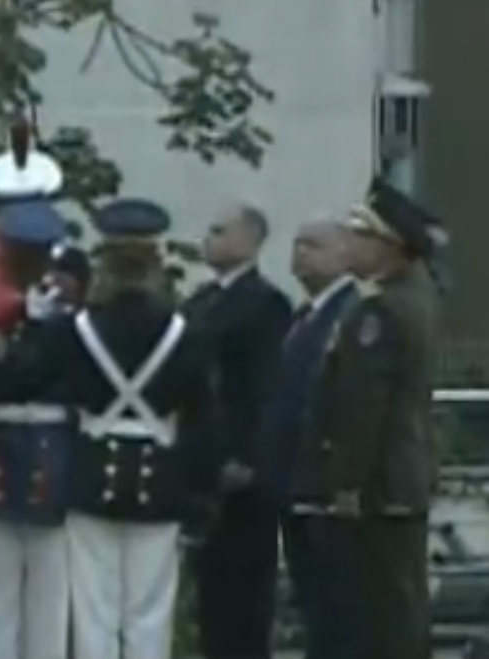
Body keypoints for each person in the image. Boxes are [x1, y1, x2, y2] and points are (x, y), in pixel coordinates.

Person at [31, 198, 219, 659]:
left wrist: (33, 324)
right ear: (157, 263)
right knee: (150, 612)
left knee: (94, 611)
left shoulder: (72, 331)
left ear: (104, 263)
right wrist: (201, 492)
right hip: (162, 481)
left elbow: (31, 380)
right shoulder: (187, 333)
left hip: (92, 473)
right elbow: (205, 419)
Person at [290, 178, 442, 659]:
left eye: (363, 235)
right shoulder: (416, 299)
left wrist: (344, 485)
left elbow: (361, 408)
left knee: (374, 613)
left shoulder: (380, 312)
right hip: (399, 481)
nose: (352, 244)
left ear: (390, 247)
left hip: (376, 487)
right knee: (397, 604)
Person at [0, 130, 77, 659]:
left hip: (20, 443)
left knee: (17, 592)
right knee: (21, 593)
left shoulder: (64, 302)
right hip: (12, 444)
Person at [185, 203, 293, 659]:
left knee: (243, 592)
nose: (207, 239)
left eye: (219, 230)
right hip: (201, 462)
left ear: (250, 241)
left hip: (242, 472)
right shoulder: (201, 301)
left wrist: (246, 457)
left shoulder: (265, 304)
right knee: (209, 592)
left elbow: (263, 389)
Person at [253, 218, 357, 659]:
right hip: (292, 479)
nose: (300, 254)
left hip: (322, 482)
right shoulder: (306, 314)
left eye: (313, 245)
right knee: (311, 599)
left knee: (333, 603)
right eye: (296, 244)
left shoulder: (350, 314)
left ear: (344, 254)